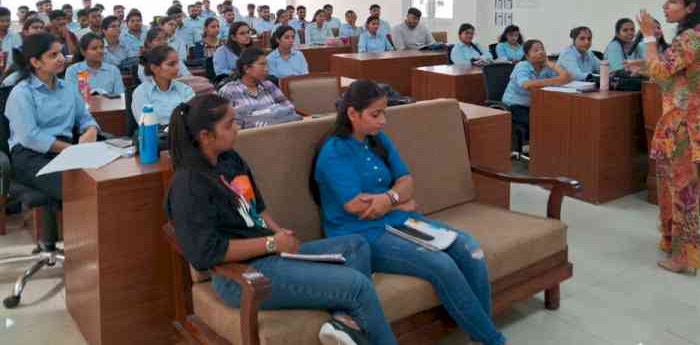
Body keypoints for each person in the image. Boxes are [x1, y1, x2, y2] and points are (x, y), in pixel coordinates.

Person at [165, 94, 396, 345]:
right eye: (229, 125)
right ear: (205, 135)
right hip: (241, 276)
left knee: (357, 245)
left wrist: (279, 235)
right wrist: (272, 244)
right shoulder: (189, 184)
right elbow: (206, 254)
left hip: (270, 254)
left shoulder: (229, 159)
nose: (237, 128)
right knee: (357, 286)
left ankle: (342, 324)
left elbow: (258, 209)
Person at [313, 79, 509, 345]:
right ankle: (493, 340)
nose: (383, 120)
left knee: (470, 249)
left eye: (384, 112)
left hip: (398, 220)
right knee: (442, 265)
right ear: (351, 113)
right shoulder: (334, 152)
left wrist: (390, 198)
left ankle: (479, 336)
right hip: (361, 234)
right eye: (375, 114)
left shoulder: (377, 139)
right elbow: (359, 209)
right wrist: (401, 202)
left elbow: (407, 180)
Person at [625, 0, 700, 275]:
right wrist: (644, 65)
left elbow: (662, 71)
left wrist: (648, 37)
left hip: (689, 127)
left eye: (673, 1)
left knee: (684, 191)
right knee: (670, 185)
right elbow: (675, 75)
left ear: (691, 7)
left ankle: (685, 257)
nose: (665, 6)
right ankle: (671, 240)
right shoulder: (698, 34)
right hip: (685, 122)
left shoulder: (691, 38)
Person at [5, 32, 99, 251]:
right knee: (80, 188)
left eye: (62, 53)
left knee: (103, 178)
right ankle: (84, 252)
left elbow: (84, 116)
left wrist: (91, 129)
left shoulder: (67, 87)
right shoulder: (22, 93)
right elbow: (30, 136)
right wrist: (71, 150)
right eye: (53, 55)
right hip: (29, 155)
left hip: (66, 148)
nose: (61, 59)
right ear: (35, 62)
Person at [501, 40, 572, 136]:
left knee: (560, 117)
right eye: (536, 50)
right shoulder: (522, 66)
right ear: (527, 56)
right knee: (540, 123)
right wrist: (554, 81)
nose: (541, 52)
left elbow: (567, 78)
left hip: (536, 104)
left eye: (542, 49)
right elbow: (526, 85)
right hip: (515, 105)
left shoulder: (545, 67)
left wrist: (552, 65)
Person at [218, 47, 299, 129]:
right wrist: (272, 111)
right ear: (246, 68)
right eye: (262, 64)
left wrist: (255, 115)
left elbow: (290, 108)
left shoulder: (269, 85)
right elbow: (226, 124)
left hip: (277, 133)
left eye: (266, 64)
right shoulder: (228, 91)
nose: (267, 69)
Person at [132, 45, 195, 126]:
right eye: (171, 64)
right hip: (155, 135)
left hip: (182, 134)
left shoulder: (185, 89)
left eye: (177, 63)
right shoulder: (141, 92)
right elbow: (146, 124)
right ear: (154, 68)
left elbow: (193, 118)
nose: (177, 68)